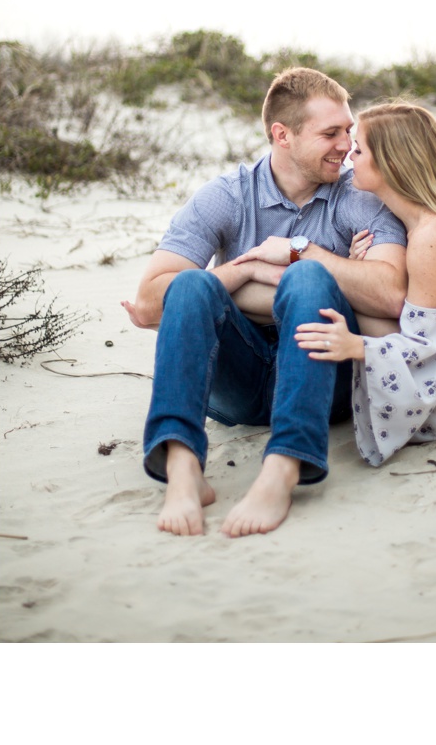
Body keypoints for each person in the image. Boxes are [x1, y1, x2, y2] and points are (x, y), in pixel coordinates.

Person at [124, 67, 409, 537]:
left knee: (308, 276)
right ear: (283, 135)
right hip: (238, 382)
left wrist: (298, 257)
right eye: (330, 133)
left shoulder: (356, 195)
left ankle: (284, 465)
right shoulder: (227, 197)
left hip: (322, 380)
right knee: (193, 286)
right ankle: (181, 464)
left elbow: (392, 294)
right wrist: (246, 270)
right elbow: (151, 302)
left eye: (348, 132)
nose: (345, 146)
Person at [291, 101, 436, 467]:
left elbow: (424, 346)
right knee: (359, 287)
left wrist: (357, 346)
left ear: (390, 164)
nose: (348, 158)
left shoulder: (431, 237)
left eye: (359, 150)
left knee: (359, 297)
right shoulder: (419, 223)